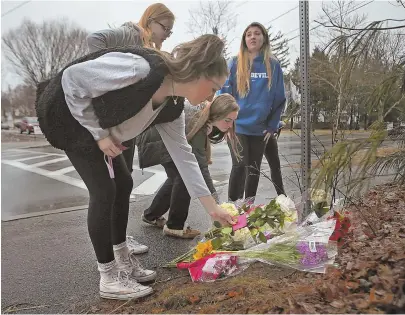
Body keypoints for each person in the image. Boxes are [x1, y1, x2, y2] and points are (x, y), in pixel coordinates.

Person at [36, 34, 236, 301]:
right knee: (104, 191)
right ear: (198, 73)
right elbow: (72, 79)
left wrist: (213, 209)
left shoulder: (173, 106)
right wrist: (99, 135)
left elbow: (184, 157)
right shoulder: (141, 69)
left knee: (124, 182)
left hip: (100, 128)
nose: (213, 96)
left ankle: (123, 259)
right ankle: (109, 276)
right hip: (69, 118)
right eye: (214, 87)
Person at [86, 2, 175, 255]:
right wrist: (108, 77)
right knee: (113, 186)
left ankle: (119, 239)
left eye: (170, 31)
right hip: (109, 124)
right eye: (165, 28)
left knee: (124, 184)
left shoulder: (148, 48)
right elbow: (94, 39)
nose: (167, 34)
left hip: (127, 124)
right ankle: (114, 247)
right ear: (150, 21)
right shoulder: (129, 34)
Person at [137, 94, 240, 238]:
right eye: (227, 120)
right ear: (217, 114)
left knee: (177, 177)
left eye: (233, 121)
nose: (230, 125)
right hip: (157, 140)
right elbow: (200, 168)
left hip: (159, 138)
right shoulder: (199, 121)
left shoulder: (206, 118)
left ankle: (151, 215)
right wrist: (216, 205)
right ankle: (175, 226)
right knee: (185, 177)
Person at [218, 22, 286, 201]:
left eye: (257, 33)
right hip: (237, 126)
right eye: (249, 34)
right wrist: (225, 124)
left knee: (254, 169)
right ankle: (232, 207)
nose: (253, 37)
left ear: (264, 38)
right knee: (240, 166)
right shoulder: (234, 63)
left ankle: (248, 208)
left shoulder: (273, 65)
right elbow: (223, 95)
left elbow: (280, 99)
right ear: (244, 39)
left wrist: (272, 125)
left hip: (261, 128)